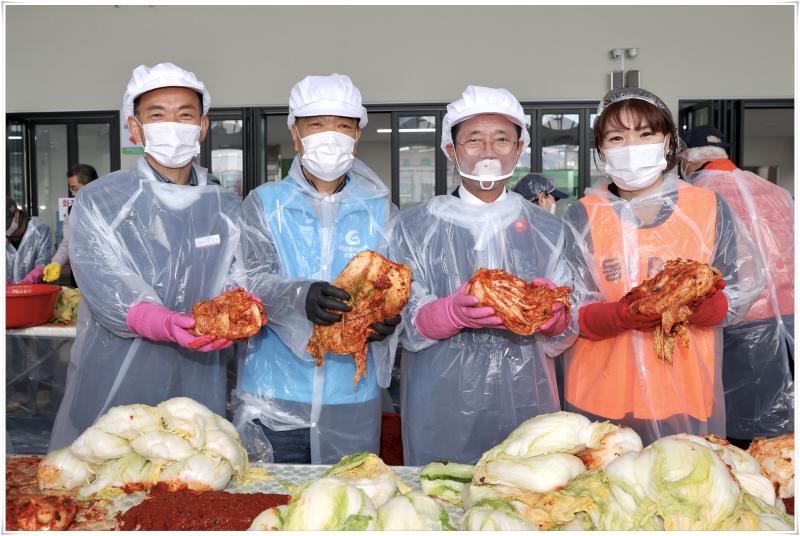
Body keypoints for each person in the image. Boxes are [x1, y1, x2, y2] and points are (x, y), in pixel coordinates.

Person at [50, 62, 244, 451]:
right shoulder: (101, 201)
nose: (173, 124)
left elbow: (239, 273)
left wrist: (241, 305)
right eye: (157, 114)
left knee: (189, 483)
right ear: (135, 128)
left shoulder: (223, 207)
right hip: (115, 382)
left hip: (196, 384)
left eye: (185, 114)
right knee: (109, 492)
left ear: (203, 127)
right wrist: (157, 319)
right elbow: (101, 281)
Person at [387, 86, 578, 466]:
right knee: (440, 502)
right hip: (440, 406)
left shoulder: (548, 229)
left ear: (519, 148)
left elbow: (570, 322)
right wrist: (445, 314)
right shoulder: (414, 227)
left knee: (524, 498)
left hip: (527, 402)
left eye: (501, 139)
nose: (489, 151)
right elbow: (397, 319)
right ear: (451, 150)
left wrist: (556, 317)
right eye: (474, 140)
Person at [562, 88, 763, 445]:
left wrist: (700, 308)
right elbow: (569, 311)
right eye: (616, 137)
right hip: (601, 395)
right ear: (601, 150)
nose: (631, 146)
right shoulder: (584, 214)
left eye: (645, 134)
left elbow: (740, 290)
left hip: (681, 392)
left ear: (668, 140)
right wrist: (622, 316)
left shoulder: (706, 208)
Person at [233, 74, 401, 464]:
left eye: (343, 126)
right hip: (274, 394)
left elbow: (396, 288)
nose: (331, 135)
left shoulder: (381, 212)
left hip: (351, 396)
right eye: (317, 124)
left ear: (357, 136)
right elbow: (247, 281)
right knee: (270, 509)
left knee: (348, 508)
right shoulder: (264, 204)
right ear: (295, 134)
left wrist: (390, 320)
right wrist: (298, 294)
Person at [680, 125, 794, 447]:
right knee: (781, 433)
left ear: (685, 158)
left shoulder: (697, 197)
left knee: (737, 435)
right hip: (789, 322)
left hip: (736, 324)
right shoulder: (776, 192)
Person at [43, 164, 98, 284]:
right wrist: (56, 263)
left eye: (75, 188)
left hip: (105, 275)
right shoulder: (71, 211)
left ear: (91, 186)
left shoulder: (108, 209)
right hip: (80, 275)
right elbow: (67, 243)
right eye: (71, 188)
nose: (73, 194)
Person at [6, 197, 52, 284]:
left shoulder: (39, 230)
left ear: (16, 215)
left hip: (34, 291)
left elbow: (44, 262)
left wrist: (29, 280)